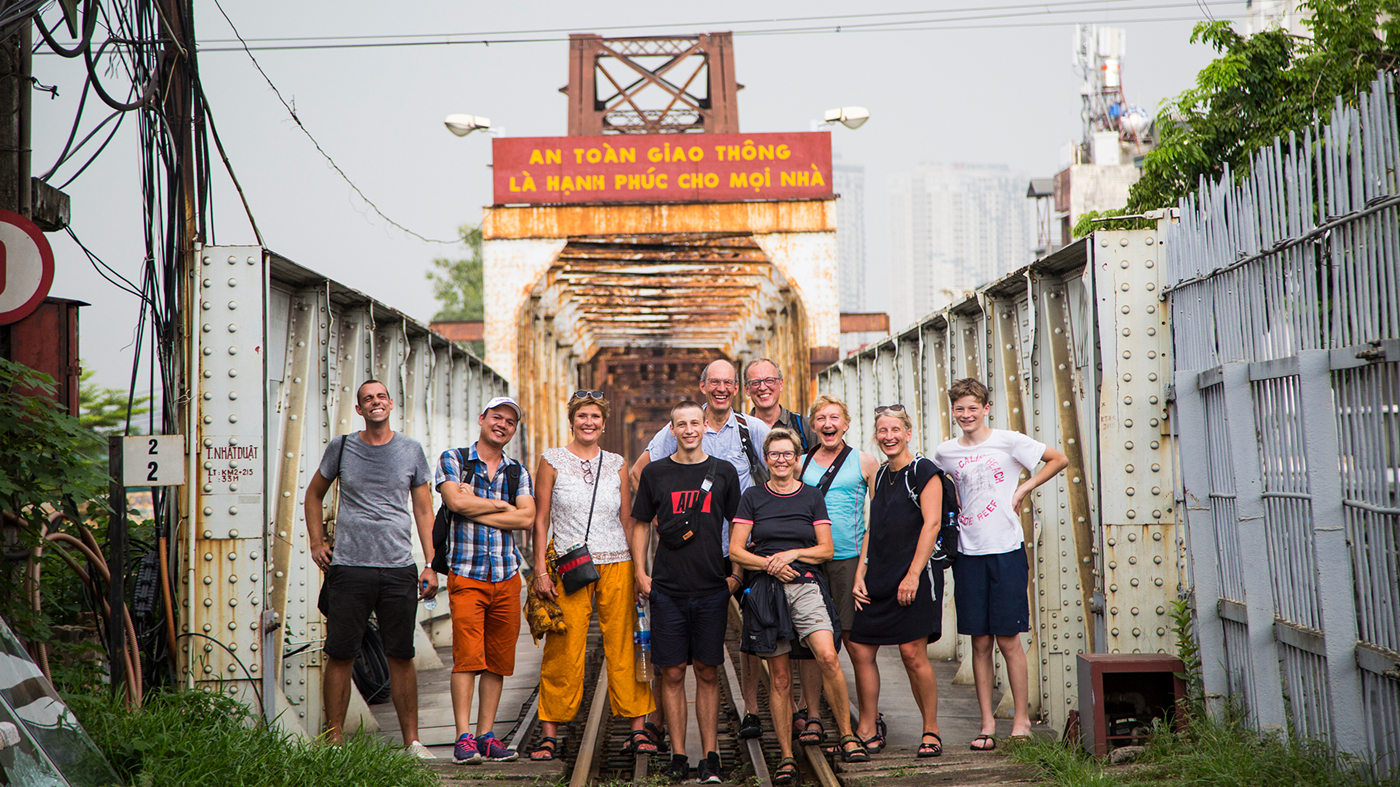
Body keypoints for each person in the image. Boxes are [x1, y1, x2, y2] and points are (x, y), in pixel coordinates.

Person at [631, 358, 771, 741]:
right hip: (686, 554)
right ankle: (660, 721)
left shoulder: (751, 428)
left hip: (735, 552)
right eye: (715, 382)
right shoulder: (679, 430)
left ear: (736, 388)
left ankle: (754, 710)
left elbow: (781, 464)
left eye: (729, 382)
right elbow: (640, 473)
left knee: (756, 631)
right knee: (672, 657)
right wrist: (669, 521)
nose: (722, 388)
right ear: (703, 385)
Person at [932, 378, 1068, 751]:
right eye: (959, 409)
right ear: (953, 411)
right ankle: (987, 723)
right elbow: (932, 485)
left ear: (985, 408)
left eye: (972, 407)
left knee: (1009, 640)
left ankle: (1021, 720)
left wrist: (1024, 488)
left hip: (1006, 549)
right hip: (968, 551)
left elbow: (1059, 458)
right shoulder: (945, 452)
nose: (966, 414)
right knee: (979, 642)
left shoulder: (1008, 440)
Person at [303, 379, 436, 758]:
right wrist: (316, 541)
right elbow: (313, 494)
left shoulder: (411, 450)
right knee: (341, 653)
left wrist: (431, 564)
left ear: (391, 403)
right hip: (349, 566)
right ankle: (334, 740)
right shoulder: (342, 447)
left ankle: (412, 742)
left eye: (381, 397)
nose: (375, 402)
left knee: (401, 655)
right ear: (359, 410)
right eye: (367, 399)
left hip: (397, 567)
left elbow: (424, 510)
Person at [730, 430, 867, 786]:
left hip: (805, 584)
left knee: (827, 655)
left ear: (796, 458)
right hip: (766, 590)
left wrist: (790, 554)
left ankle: (847, 735)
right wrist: (769, 564)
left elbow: (825, 549)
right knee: (778, 677)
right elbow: (736, 551)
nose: (780, 460)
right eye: (773, 455)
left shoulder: (811, 497)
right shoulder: (753, 497)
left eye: (787, 454)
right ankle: (787, 756)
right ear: (766, 459)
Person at [529, 392, 656, 762]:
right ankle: (550, 732)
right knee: (563, 647)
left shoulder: (616, 463)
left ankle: (637, 728)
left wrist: (638, 570)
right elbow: (540, 520)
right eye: (582, 416)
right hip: (569, 567)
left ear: (604, 423)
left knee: (626, 644)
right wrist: (539, 570)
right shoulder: (551, 460)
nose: (589, 423)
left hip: (617, 562)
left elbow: (628, 520)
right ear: (572, 420)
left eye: (595, 417)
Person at [632, 400, 743, 784]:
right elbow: (641, 524)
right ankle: (679, 754)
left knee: (708, 673)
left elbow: (739, 522)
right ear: (673, 429)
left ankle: (710, 755)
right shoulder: (656, 474)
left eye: (696, 423)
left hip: (712, 586)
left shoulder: (725, 472)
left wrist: (738, 573)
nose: (690, 429)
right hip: (668, 588)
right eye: (682, 424)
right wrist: (640, 573)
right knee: (674, 672)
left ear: (703, 426)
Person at [436, 396, 537, 764]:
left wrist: (479, 502)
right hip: (467, 573)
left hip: (507, 576)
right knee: (467, 658)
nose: (503, 425)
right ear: (482, 418)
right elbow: (456, 504)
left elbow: (527, 519)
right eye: (497, 417)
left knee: (496, 661)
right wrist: (502, 506)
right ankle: (463, 737)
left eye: (510, 422)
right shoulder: (455, 459)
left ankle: (486, 735)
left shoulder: (517, 472)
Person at [850, 404, 946, 758]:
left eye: (895, 430)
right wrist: (861, 571)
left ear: (908, 432)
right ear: (876, 435)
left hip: (916, 574)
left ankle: (931, 730)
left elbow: (932, 524)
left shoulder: (924, 471)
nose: (888, 437)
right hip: (880, 572)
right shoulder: (877, 476)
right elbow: (873, 528)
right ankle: (868, 724)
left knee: (912, 653)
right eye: (882, 431)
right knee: (860, 647)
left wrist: (912, 575)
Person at [798, 395, 879, 745]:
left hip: (849, 560)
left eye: (835, 418)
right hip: (811, 560)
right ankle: (813, 715)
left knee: (856, 644)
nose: (828, 424)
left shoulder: (864, 461)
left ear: (846, 423)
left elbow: (879, 518)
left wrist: (866, 567)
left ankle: (868, 724)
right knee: (817, 643)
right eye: (821, 418)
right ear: (813, 425)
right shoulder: (800, 462)